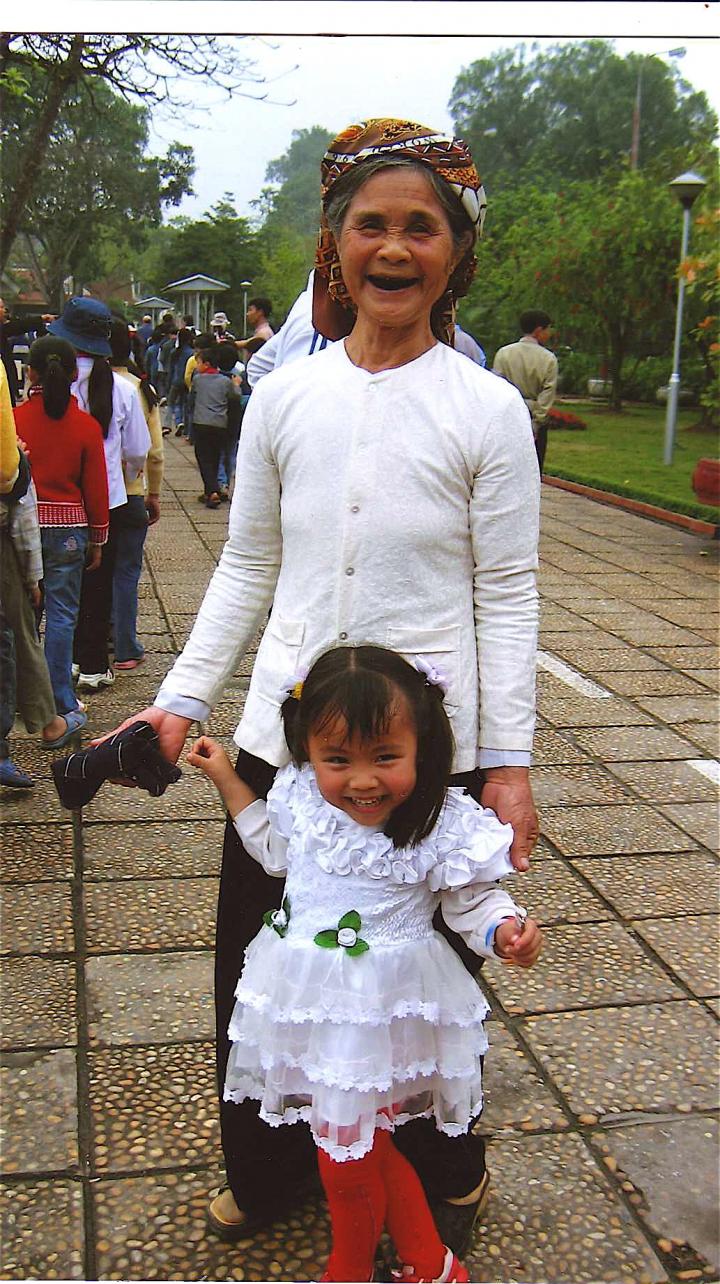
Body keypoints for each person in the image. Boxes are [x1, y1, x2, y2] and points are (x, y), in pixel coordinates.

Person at [102, 117, 540, 1255]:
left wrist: (510, 766)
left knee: (426, 973)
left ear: (457, 251)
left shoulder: (486, 411)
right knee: (260, 963)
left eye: (420, 228)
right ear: (333, 248)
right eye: (369, 226)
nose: (393, 249)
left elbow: (508, 594)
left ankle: (449, 1162)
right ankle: (272, 1163)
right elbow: (249, 561)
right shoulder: (286, 399)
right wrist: (182, 699)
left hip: (418, 759)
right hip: (286, 743)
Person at [189, 644, 542, 1283]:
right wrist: (228, 780)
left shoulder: (440, 823)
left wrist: (506, 932)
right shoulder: (301, 799)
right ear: (308, 754)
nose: (362, 780)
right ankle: (431, 1263)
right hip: (309, 1004)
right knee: (364, 1148)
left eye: (386, 757)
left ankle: (349, 1270)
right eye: (337, 760)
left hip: (382, 1012)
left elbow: (474, 900)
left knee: (345, 1160)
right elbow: (273, 851)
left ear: (422, 748)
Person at [47, 297, 150, 691]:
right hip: (108, 499)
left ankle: (68, 660)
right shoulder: (124, 389)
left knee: (61, 583)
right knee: (99, 584)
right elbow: (138, 449)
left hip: (60, 497)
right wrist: (120, 474)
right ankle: (93, 663)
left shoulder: (55, 382)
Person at [13, 335, 109, 721]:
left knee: (21, 619)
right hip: (70, 531)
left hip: (22, 529)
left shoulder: (13, 422)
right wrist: (98, 537)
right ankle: (60, 700)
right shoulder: (85, 427)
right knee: (63, 616)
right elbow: (97, 488)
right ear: (74, 374)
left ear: (30, 371)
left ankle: (21, 699)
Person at [109, 319, 164, 670]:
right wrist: (153, 494)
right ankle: (127, 646)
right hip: (130, 493)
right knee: (127, 572)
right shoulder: (141, 389)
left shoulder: (78, 383)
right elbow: (154, 452)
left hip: (92, 496)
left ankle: (93, 642)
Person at [492, 311, 558, 472]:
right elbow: (547, 392)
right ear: (538, 330)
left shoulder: (504, 353)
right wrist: (537, 422)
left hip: (507, 414)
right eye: (547, 329)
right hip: (533, 412)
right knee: (532, 469)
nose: (548, 334)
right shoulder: (548, 359)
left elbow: (495, 384)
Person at [187, 342, 241, 508]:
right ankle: (211, 489)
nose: (197, 366)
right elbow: (235, 398)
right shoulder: (225, 382)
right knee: (216, 457)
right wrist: (237, 385)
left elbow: (191, 401)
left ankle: (212, 492)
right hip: (220, 425)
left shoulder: (197, 380)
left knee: (204, 459)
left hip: (201, 423)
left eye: (199, 362)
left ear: (207, 364)